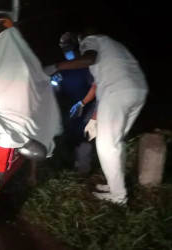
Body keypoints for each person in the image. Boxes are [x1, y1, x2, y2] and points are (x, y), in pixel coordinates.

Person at [45, 27, 148, 205]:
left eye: (69, 48)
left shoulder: (90, 40)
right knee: (117, 141)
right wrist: (92, 117)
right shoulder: (112, 46)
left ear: (78, 40)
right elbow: (99, 86)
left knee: (107, 146)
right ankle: (115, 185)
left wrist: (55, 66)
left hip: (118, 91)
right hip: (137, 90)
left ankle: (118, 196)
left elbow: (89, 59)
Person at [50, 32, 97, 176]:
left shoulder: (87, 64)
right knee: (71, 135)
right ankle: (76, 165)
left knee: (84, 135)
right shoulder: (65, 66)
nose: (65, 49)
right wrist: (55, 82)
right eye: (62, 46)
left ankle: (85, 169)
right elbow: (58, 88)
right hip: (71, 107)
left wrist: (85, 104)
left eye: (68, 45)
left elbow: (95, 85)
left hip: (86, 105)